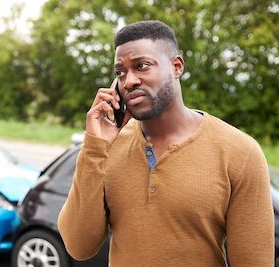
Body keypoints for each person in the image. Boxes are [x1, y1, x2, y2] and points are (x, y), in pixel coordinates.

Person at [58, 20, 274, 266]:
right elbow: (78, 247)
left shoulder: (240, 152)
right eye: (120, 72)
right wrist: (95, 146)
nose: (129, 81)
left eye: (142, 66)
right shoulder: (106, 147)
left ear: (176, 66)